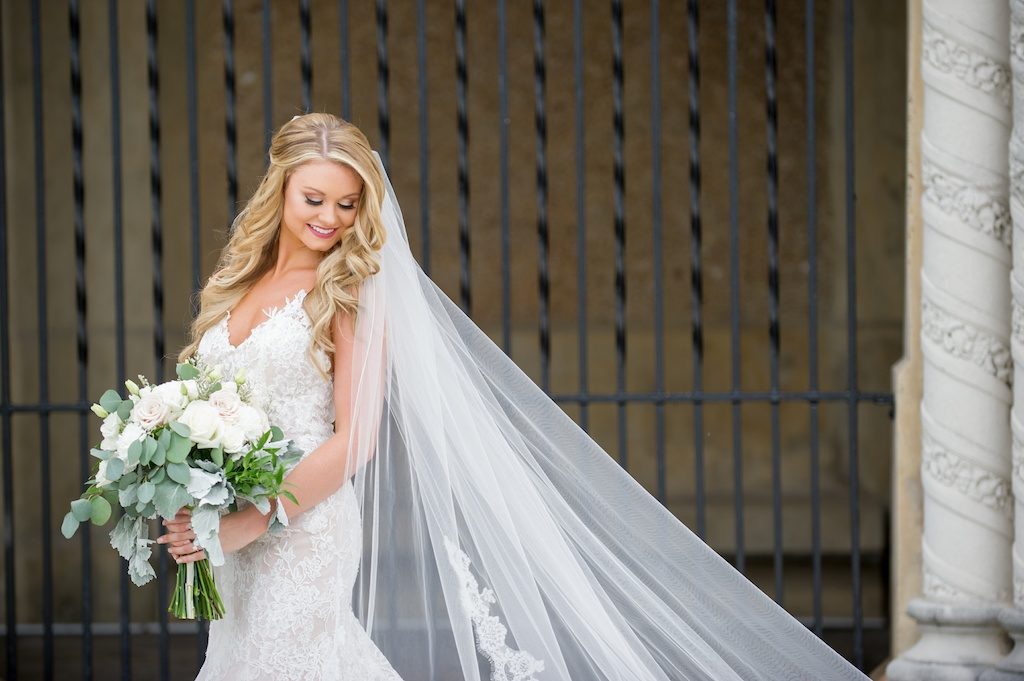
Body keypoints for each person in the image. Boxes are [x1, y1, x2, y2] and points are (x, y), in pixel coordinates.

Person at [158, 113, 871, 681]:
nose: (331, 219)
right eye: (314, 199)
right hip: (238, 539)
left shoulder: (345, 296)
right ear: (279, 189)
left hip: (301, 530)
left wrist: (258, 515)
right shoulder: (240, 289)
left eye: (347, 204)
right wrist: (191, 491)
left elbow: (356, 438)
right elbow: (216, 418)